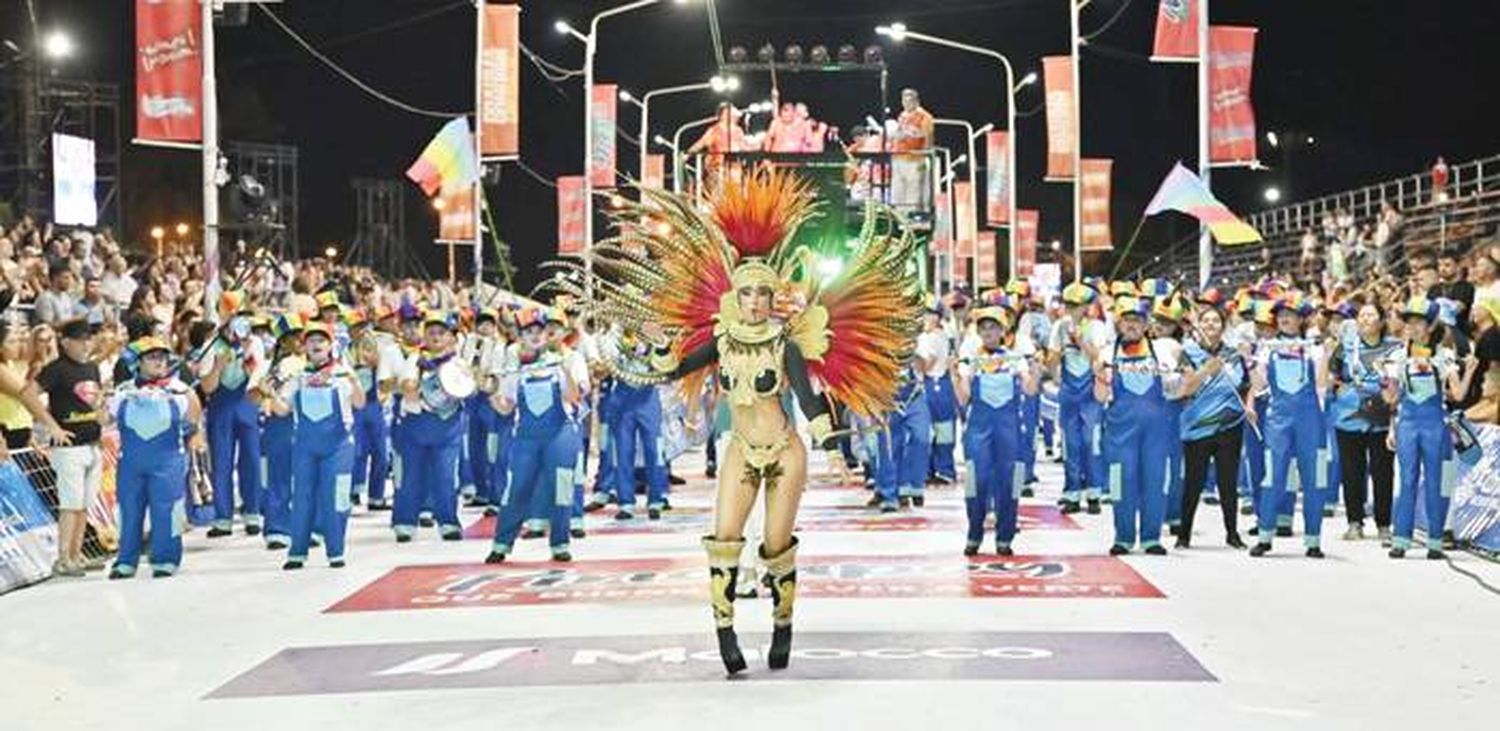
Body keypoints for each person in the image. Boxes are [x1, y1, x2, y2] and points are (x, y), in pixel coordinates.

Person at [575, 167, 921, 675]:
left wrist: (832, 446)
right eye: (747, 294)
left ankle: (783, 625)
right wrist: (651, 339)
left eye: (763, 295)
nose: (755, 303)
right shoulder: (720, 339)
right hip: (740, 449)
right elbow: (670, 368)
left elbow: (807, 399)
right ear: (735, 297)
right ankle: (725, 632)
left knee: (776, 546)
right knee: (724, 542)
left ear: (772, 297)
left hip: (784, 450)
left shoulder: (786, 343)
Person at [486, 306, 587, 562]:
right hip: (526, 438)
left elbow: (574, 399)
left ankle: (560, 544)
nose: (535, 335)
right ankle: (501, 545)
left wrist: (565, 370)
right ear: (520, 336)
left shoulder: (562, 363)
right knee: (516, 488)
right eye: (528, 331)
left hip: (559, 435)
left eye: (539, 330)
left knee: (562, 489)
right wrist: (489, 392)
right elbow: (505, 407)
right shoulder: (515, 370)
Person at [106, 336, 203, 579]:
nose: (160, 361)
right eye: (152, 357)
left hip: (168, 460)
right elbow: (104, 418)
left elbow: (194, 418)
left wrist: (195, 436)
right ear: (138, 362)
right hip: (130, 462)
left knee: (167, 510)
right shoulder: (123, 391)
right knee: (129, 510)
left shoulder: (181, 390)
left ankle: (166, 558)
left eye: (162, 356)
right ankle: (126, 561)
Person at [1384, 296, 1472, 559]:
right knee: (1407, 480)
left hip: (1437, 425)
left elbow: (1457, 394)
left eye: (1418, 322)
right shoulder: (1398, 356)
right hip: (1407, 424)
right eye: (1409, 321)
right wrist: (1386, 384)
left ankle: (1435, 540)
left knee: (1437, 482)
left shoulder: (1444, 356)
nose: (1412, 327)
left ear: (1431, 326)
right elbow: (1391, 399)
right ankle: (1400, 539)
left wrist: (1469, 371)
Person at [272, 321, 364, 570]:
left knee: (336, 498)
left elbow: (360, 403)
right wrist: (270, 393)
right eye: (311, 340)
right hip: (305, 447)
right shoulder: (298, 378)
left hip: (339, 447)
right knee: (302, 498)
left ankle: (336, 551)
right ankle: (297, 552)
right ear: (304, 347)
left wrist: (355, 382)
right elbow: (281, 410)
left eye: (321, 340)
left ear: (330, 345)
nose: (315, 344)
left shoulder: (342, 374)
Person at [1248, 294, 1330, 558]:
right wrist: (1248, 360)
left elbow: (1321, 384)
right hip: (1278, 421)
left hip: (1311, 421)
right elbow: (1259, 384)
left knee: (1314, 479)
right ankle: (1264, 536)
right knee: (1273, 477)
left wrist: (1327, 355)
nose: (1284, 318)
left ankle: (1313, 540)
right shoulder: (1267, 347)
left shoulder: (1313, 347)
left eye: (1289, 314)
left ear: (1300, 318)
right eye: (1280, 314)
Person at [954, 301, 1037, 556]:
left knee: (1009, 483)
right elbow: (963, 398)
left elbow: (1030, 390)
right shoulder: (970, 360)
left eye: (993, 327)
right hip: (978, 430)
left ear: (1003, 331)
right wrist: (955, 376)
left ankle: (1005, 537)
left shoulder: (1015, 361)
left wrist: (1035, 370)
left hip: (1010, 430)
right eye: (984, 328)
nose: (988, 332)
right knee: (975, 482)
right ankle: (974, 534)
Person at [1097, 295, 1174, 555]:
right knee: (1121, 481)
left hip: (1156, 431)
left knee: (1155, 480)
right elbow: (1099, 396)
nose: (1131, 325)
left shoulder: (1161, 350)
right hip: (1120, 432)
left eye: (1137, 320)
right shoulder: (1107, 353)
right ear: (1119, 324)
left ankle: (1152, 537)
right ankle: (1124, 536)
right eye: (1127, 320)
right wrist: (1098, 376)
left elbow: (1179, 384)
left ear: (1145, 324)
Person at [30, 319, 105, 576]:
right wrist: (52, 426)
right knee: (70, 505)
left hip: (92, 443)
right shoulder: (57, 369)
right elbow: (28, 392)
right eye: (81, 340)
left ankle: (76, 553)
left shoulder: (92, 368)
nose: (86, 344)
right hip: (69, 447)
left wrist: (100, 415)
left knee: (84, 504)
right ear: (65, 343)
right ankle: (63, 557)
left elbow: (95, 400)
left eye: (88, 339)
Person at [1175, 293, 1248, 549]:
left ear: (1223, 326)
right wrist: (1206, 370)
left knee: (1228, 483)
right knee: (1193, 482)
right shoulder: (1188, 352)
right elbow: (1184, 388)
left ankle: (1232, 533)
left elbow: (1243, 385)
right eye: (1205, 321)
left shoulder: (1233, 354)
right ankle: (1184, 534)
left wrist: (1248, 407)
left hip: (1230, 426)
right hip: (1197, 426)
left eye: (1215, 321)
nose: (1210, 325)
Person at [391, 311, 468, 542]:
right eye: (431, 332)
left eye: (440, 333)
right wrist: (409, 385)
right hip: (415, 426)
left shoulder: (458, 363)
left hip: (447, 428)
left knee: (446, 476)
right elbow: (404, 385)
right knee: (410, 476)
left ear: (450, 337)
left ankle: (448, 522)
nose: (435, 337)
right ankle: (405, 522)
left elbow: (469, 389)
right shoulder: (415, 359)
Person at [1328, 302, 1400, 542]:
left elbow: (1399, 383)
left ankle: (1384, 524)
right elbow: (1332, 376)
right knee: (1352, 471)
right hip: (1348, 418)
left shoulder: (1394, 348)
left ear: (1381, 321)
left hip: (1381, 419)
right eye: (1361, 315)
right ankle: (1354, 522)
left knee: (1383, 472)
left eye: (1371, 315)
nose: (1365, 319)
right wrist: (1335, 388)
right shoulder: (1345, 348)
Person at [199, 292, 268, 538]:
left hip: (246, 402)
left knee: (250, 458)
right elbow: (207, 387)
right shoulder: (211, 345)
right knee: (221, 461)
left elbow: (259, 377)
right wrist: (217, 366)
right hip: (221, 405)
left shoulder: (256, 343)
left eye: (240, 316)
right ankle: (222, 517)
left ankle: (252, 512)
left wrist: (249, 356)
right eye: (230, 316)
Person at [1047, 282, 1109, 514]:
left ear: (1087, 306)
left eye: (1077, 305)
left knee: (1090, 441)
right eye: (1069, 305)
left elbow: (1101, 358)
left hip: (1091, 389)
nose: (1073, 310)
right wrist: (1055, 372)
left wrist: (1081, 340)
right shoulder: (1059, 327)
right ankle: (1072, 492)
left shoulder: (1097, 327)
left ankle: (1094, 492)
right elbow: (1051, 357)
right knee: (1071, 442)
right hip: (1069, 390)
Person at [917, 299, 957, 487]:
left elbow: (927, 364)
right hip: (936, 384)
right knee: (938, 430)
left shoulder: (933, 337)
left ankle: (942, 469)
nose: (925, 317)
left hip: (935, 384)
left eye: (929, 314)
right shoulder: (932, 335)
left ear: (937, 317)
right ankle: (935, 469)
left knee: (940, 430)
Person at [890, 88, 934, 215]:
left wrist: (924, 157)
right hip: (898, 158)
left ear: (916, 101)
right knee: (898, 193)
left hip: (914, 159)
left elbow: (927, 137)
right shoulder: (902, 116)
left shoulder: (925, 117)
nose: (906, 104)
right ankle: (899, 219)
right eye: (904, 100)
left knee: (913, 193)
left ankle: (911, 221)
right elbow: (899, 133)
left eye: (909, 101)